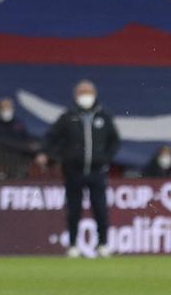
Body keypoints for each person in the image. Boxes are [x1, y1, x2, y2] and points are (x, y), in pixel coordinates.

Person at [36, 80, 120, 258]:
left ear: (95, 94)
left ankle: (103, 244)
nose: (85, 96)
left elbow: (115, 141)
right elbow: (51, 137)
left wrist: (106, 158)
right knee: (74, 209)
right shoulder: (68, 117)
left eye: (88, 92)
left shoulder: (103, 117)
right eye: (82, 92)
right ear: (76, 95)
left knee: (101, 208)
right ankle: (73, 245)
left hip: (97, 171)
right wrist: (46, 153)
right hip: (73, 170)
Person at [0, 96, 40, 177]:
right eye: (4, 107)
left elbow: (26, 138)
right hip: (0, 160)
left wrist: (37, 149)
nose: (7, 110)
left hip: (20, 159)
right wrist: (25, 146)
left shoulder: (18, 124)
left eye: (9, 107)